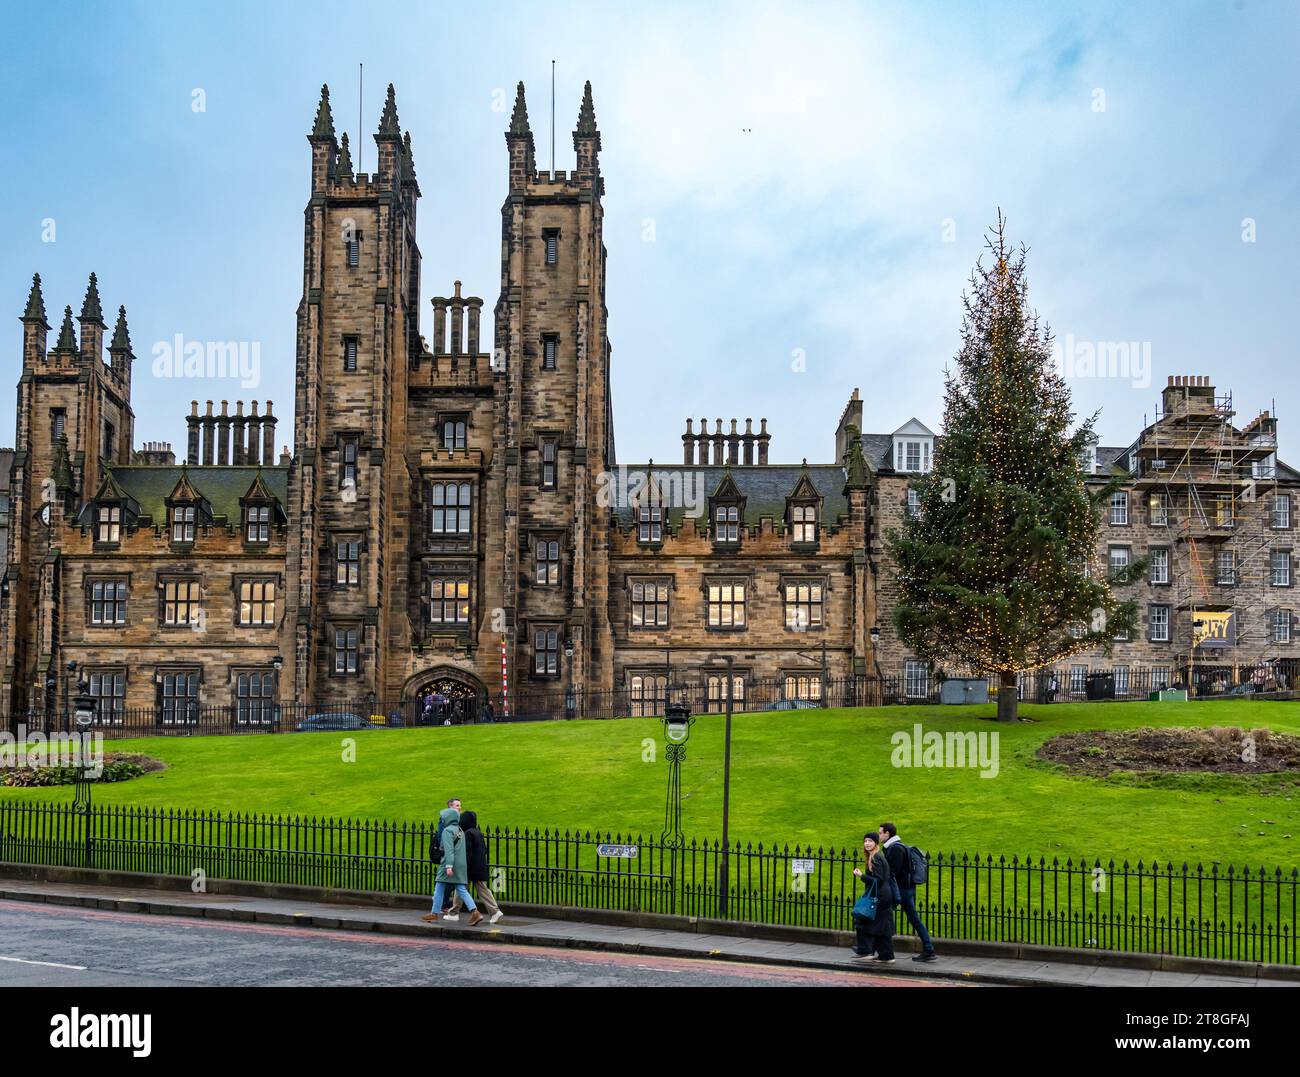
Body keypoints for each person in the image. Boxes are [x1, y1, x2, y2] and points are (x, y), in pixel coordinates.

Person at [880, 821, 936, 962]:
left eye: (881, 833)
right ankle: (928, 949)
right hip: (907, 889)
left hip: (900, 890)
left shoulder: (895, 849)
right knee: (914, 919)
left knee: (880, 916)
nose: (879, 835)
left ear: (888, 833)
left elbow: (893, 872)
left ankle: (872, 949)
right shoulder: (897, 847)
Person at [422, 805, 482, 926]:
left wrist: (449, 866)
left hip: (448, 863)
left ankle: (434, 913)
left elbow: (449, 850)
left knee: (439, 886)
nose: (442, 819)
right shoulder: (460, 830)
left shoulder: (447, 831)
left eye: (444, 817)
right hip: (460, 864)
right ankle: (475, 912)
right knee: (461, 889)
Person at [448, 810, 504, 924]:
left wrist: (461, 866)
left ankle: (454, 913)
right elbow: (485, 850)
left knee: (461, 887)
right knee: (482, 889)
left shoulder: (467, 833)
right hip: (480, 866)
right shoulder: (478, 832)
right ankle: (494, 911)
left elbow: (466, 853)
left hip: (469, 867)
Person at [851, 831, 895, 962]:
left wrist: (861, 876)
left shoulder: (875, 857)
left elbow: (878, 879)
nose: (867, 844)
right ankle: (886, 955)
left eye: (870, 841)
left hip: (879, 896)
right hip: (884, 895)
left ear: (876, 843)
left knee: (862, 920)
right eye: (865, 841)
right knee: (882, 927)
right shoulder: (877, 856)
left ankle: (865, 951)